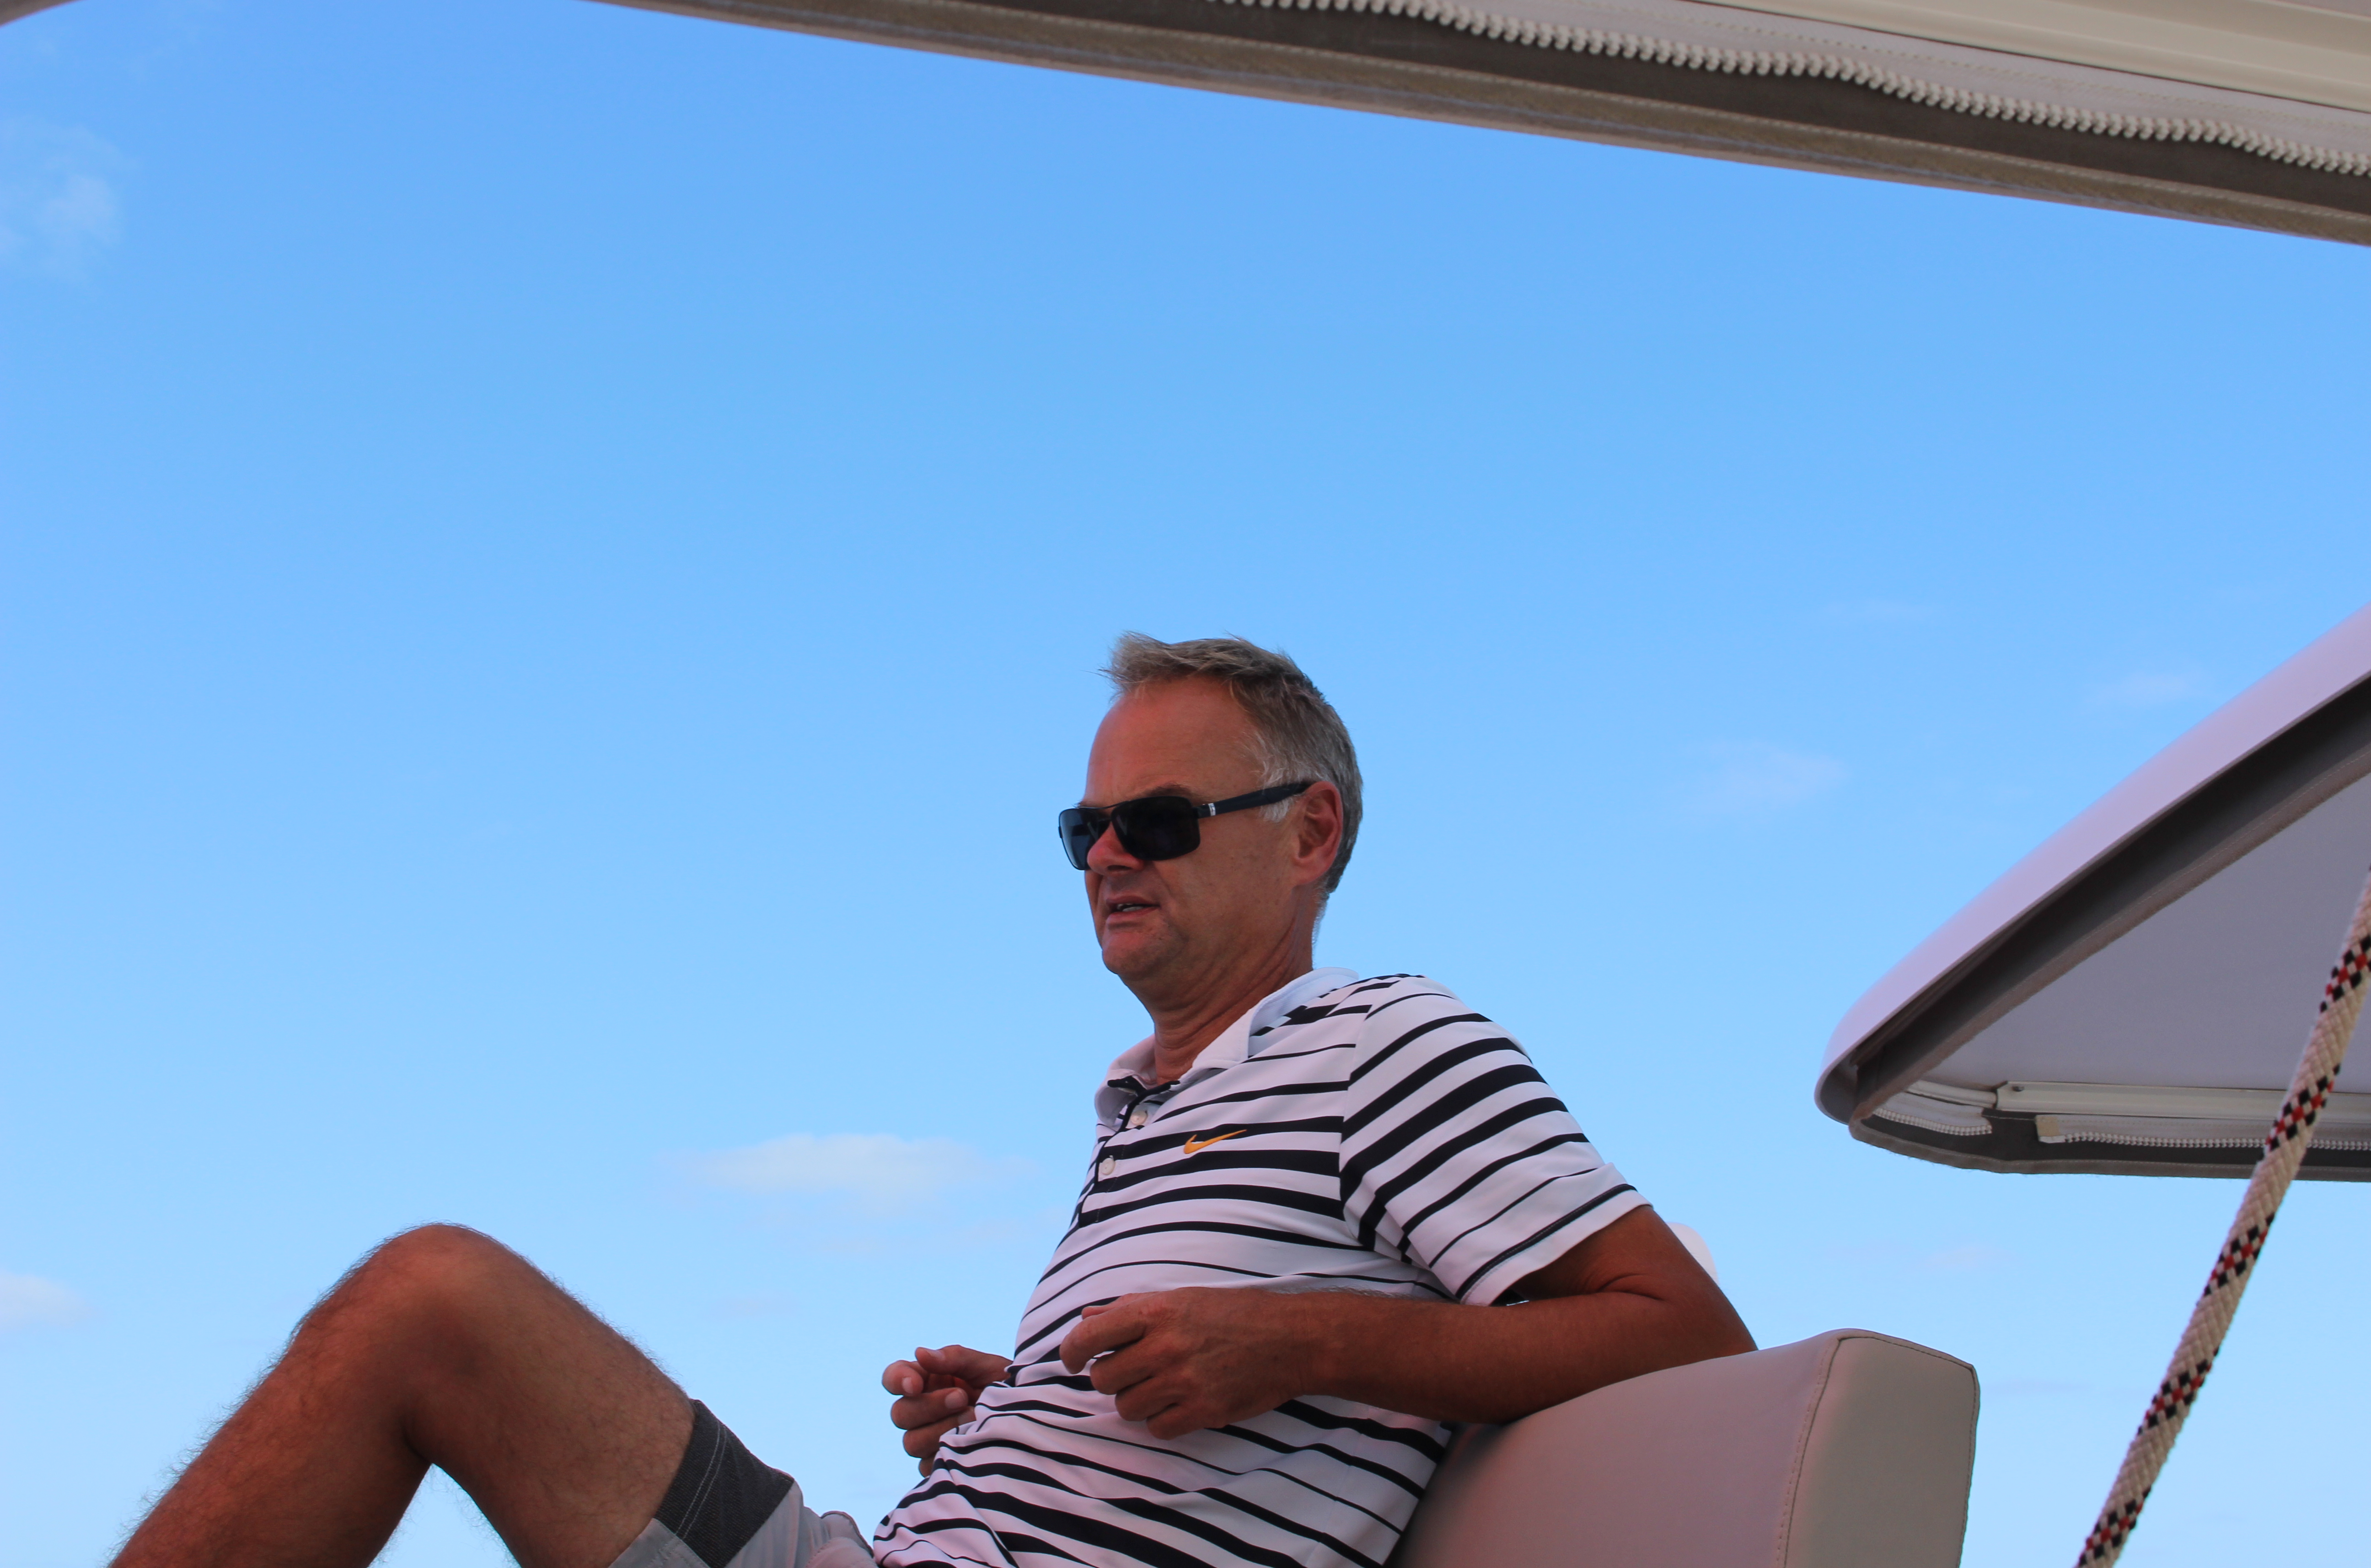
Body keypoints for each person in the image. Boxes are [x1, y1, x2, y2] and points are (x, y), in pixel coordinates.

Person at [112, 635, 1753, 1568]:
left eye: (1159, 822)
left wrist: (1302, 1341)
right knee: (427, 1306)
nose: (1107, 857)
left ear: (1310, 832)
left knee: (434, 1304)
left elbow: (1683, 1333)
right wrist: (1028, 1406)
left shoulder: (1379, 1037)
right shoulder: (1144, 1109)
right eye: (1085, 830)